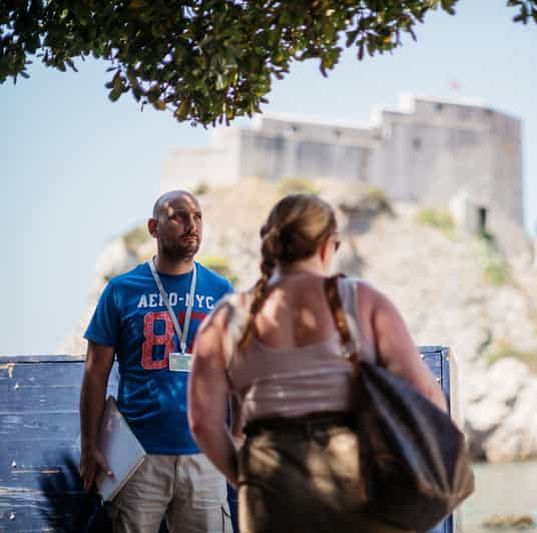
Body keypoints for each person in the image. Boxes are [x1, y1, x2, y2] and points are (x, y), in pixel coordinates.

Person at [188, 193, 447, 532]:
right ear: (327, 245)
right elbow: (425, 395)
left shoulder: (226, 317)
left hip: (267, 482)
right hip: (351, 476)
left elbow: (202, 423)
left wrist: (245, 475)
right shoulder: (363, 301)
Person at [79, 190, 234, 532]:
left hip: (204, 457)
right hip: (137, 457)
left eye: (197, 216)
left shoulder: (221, 290)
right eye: (178, 216)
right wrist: (90, 446)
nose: (190, 224)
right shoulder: (121, 290)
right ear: (154, 227)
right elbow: (95, 373)